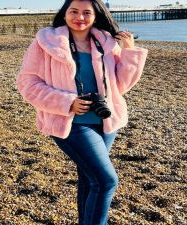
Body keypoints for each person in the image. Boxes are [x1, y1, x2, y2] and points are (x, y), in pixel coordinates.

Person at [16, 0, 148, 224]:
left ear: (96, 16)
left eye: (87, 12)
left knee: (90, 181)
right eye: (74, 11)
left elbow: (120, 85)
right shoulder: (46, 42)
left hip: (105, 122)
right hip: (70, 123)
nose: (80, 17)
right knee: (106, 181)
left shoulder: (106, 43)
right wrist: (67, 102)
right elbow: (27, 83)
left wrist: (129, 52)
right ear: (64, 14)